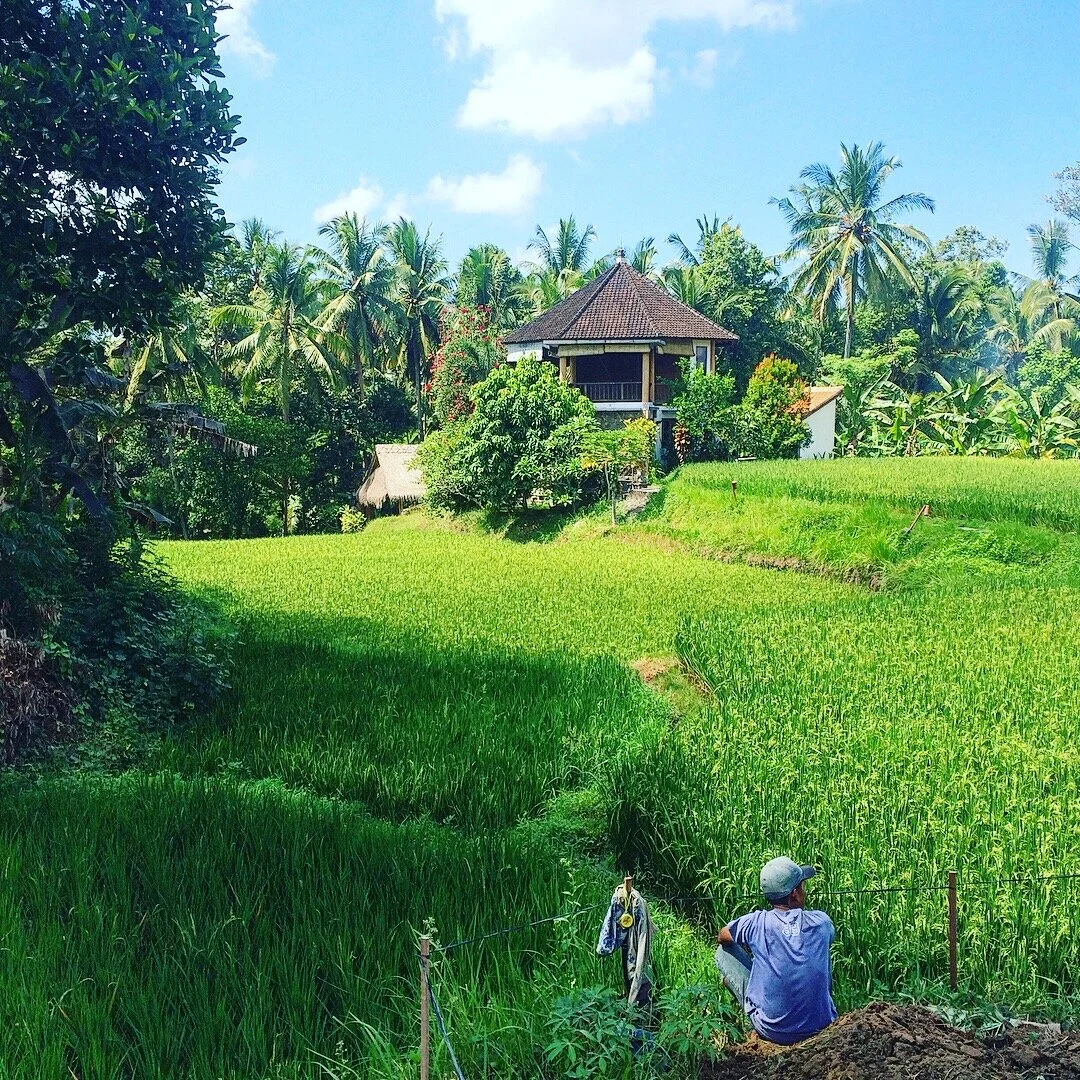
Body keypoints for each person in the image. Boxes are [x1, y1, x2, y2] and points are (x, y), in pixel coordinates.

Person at [715, 857, 837, 1045]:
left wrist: (754, 944)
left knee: (723, 952)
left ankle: (751, 1020)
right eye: (803, 887)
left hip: (773, 1031)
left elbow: (722, 936)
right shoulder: (822, 922)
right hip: (821, 1025)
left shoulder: (755, 923)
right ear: (795, 894)